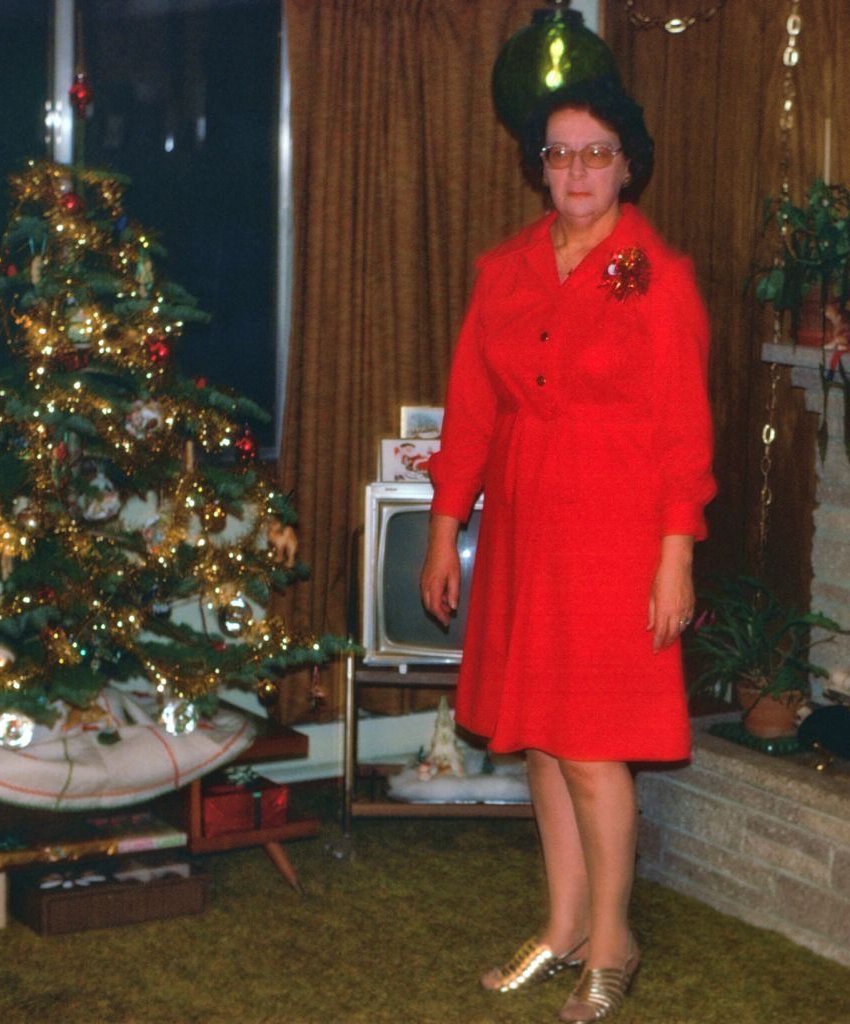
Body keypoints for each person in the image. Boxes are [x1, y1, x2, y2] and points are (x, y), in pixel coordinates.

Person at [420, 76, 715, 1023]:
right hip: (522, 526)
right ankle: (565, 926)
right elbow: (472, 410)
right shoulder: (506, 269)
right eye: (559, 153)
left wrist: (676, 555)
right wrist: (443, 530)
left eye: (596, 153)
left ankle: (614, 941)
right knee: (541, 741)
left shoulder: (660, 276)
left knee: (590, 746)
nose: (577, 170)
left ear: (628, 165)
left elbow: (684, 432)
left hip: (615, 535)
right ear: (538, 167)